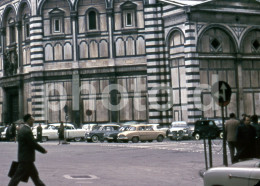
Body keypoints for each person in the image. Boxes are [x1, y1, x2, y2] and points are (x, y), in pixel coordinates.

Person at [8, 114, 47, 186]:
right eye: (32, 119)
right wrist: (43, 150)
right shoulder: (26, 131)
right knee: (16, 178)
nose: (33, 121)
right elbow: (32, 143)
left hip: (25, 158)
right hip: (26, 159)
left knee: (35, 177)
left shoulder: (23, 129)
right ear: (28, 120)